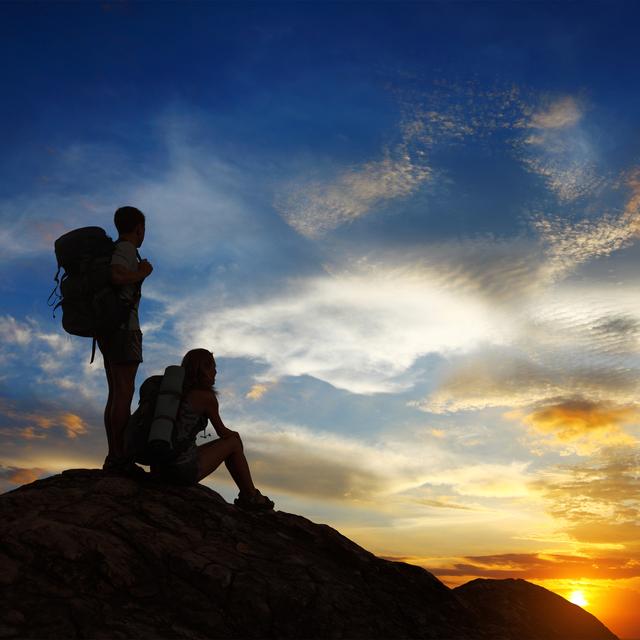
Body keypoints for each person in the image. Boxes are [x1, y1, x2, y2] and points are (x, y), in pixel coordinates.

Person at [152, 348, 275, 511]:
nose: (215, 372)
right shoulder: (206, 397)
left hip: (158, 467)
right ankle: (250, 496)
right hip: (181, 470)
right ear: (203, 369)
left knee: (227, 442)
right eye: (213, 367)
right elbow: (223, 433)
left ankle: (250, 495)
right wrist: (236, 436)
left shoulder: (172, 391)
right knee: (233, 442)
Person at [98, 206, 153, 476]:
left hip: (110, 330)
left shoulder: (116, 249)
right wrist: (142, 272)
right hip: (124, 329)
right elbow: (117, 276)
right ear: (138, 228)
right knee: (123, 393)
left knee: (116, 393)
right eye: (143, 229)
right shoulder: (126, 250)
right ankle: (120, 458)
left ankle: (114, 455)